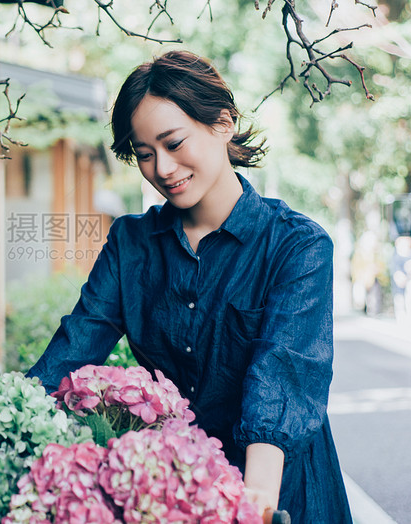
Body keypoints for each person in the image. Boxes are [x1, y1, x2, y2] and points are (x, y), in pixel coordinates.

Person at [27, 51, 352, 522]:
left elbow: (281, 375)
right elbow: (73, 350)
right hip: (178, 491)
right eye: (144, 154)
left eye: (174, 143)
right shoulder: (130, 245)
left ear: (223, 123)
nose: (162, 168)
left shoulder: (296, 247)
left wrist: (255, 497)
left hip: (280, 492)